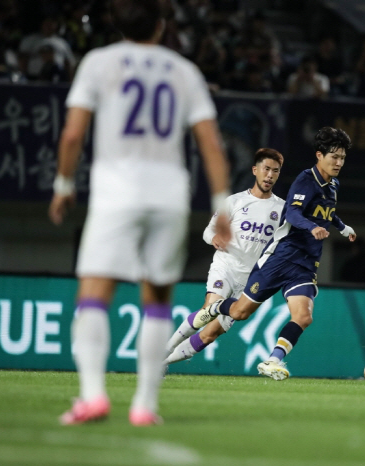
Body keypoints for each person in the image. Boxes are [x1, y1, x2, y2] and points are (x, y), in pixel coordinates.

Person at [48, 0, 231, 426]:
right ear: (163, 25)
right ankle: (144, 407)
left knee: (94, 292)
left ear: (115, 23)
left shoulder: (98, 62)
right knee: (158, 300)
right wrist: (222, 204)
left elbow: (74, 132)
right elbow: (210, 142)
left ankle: (93, 397)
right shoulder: (184, 70)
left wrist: (62, 184)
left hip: (116, 192)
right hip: (169, 194)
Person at [185, 127, 356, 380]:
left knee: (304, 316)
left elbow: (325, 212)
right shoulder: (305, 181)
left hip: (306, 264)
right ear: (319, 155)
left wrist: (342, 227)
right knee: (240, 312)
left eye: (343, 158)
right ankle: (218, 306)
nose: (339, 162)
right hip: (282, 257)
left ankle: (273, 360)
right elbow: (293, 214)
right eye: (335, 157)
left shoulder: (333, 185)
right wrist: (313, 227)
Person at [164, 148, 284, 368]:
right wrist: (214, 239)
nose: (270, 176)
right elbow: (207, 232)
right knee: (211, 307)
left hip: (251, 279)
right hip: (226, 266)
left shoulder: (282, 209)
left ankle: (165, 363)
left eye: (275, 171)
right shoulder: (234, 202)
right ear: (255, 170)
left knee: (210, 334)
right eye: (266, 169)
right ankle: (167, 347)